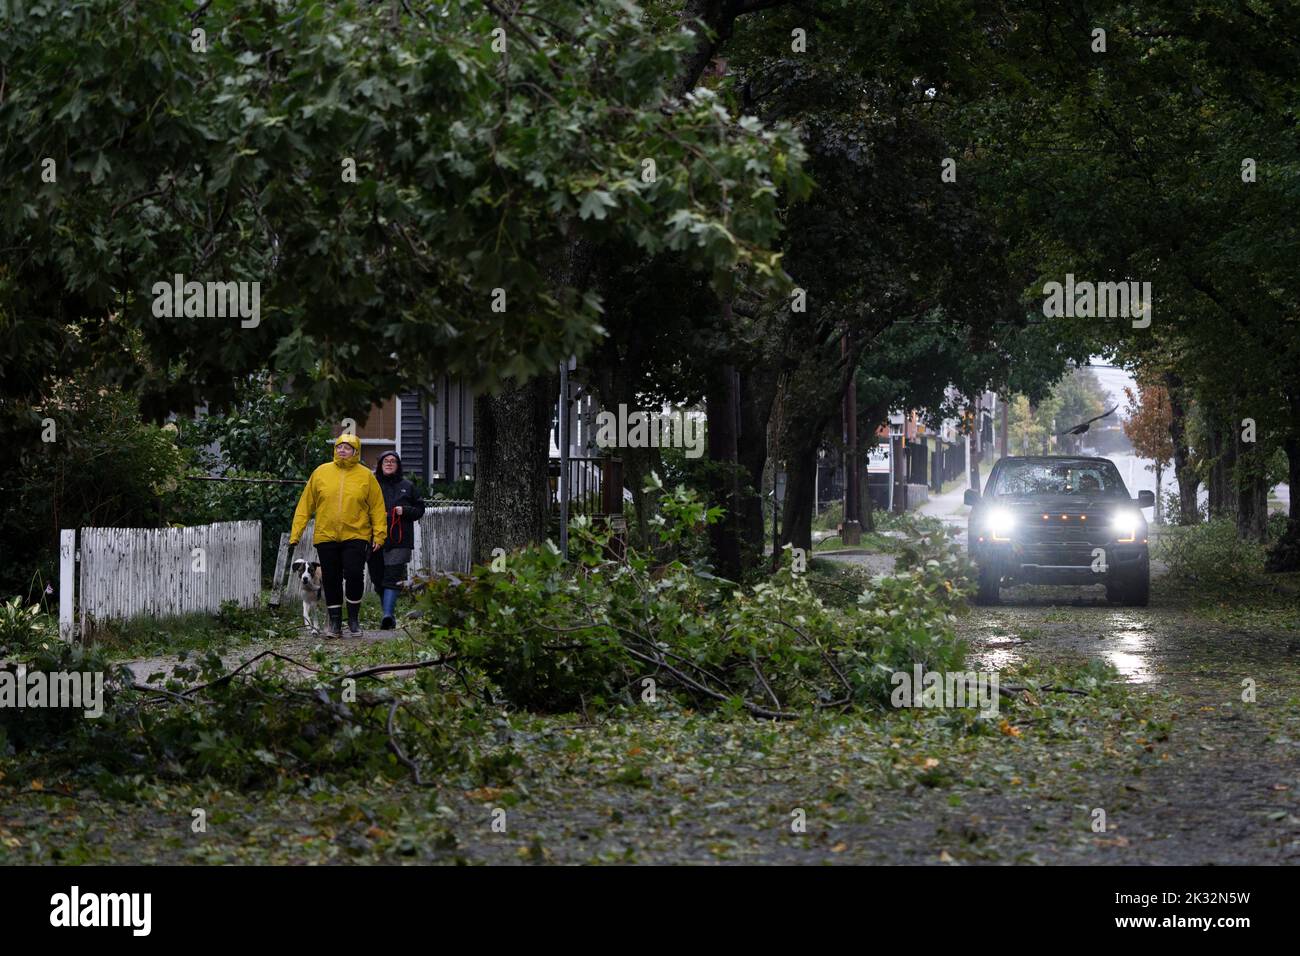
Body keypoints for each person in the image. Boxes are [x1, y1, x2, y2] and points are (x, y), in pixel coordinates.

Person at [289, 434, 387, 637]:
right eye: (339, 446)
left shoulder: (366, 476)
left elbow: (377, 508)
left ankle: (353, 619)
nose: (342, 450)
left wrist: (379, 535)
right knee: (331, 579)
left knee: (354, 575)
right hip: (326, 536)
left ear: (356, 452)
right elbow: (305, 505)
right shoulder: (321, 472)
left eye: (347, 447)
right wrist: (295, 533)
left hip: (356, 534)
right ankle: (334, 624)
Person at [366, 451, 425, 629]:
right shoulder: (371, 484)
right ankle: (387, 614)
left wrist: (404, 511)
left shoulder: (408, 486)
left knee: (392, 577)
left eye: (393, 461)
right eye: (386, 461)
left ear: (398, 465)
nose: (390, 463)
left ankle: (388, 615)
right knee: (377, 579)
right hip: (375, 538)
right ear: (380, 464)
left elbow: (420, 509)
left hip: (400, 540)